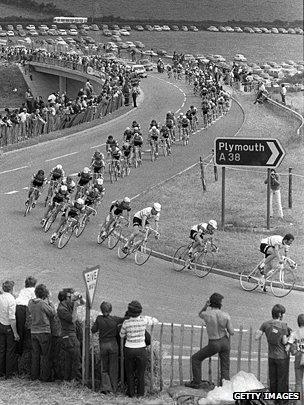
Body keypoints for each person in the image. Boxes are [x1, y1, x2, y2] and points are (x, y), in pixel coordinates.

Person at [185, 293, 234, 389]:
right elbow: (231, 332)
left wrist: (205, 305)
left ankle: (196, 382)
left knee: (196, 359)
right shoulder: (225, 315)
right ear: (220, 304)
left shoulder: (206, 314)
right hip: (224, 341)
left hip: (214, 343)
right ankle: (226, 387)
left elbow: (200, 314)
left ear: (211, 303)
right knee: (225, 366)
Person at [120, 301, 158, 397]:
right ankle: (140, 394)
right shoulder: (143, 320)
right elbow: (155, 320)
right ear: (140, 311)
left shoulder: (126, 322)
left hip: (129, 349)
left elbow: (121, 335)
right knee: (141, 373)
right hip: (141, 349)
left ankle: (131, 393)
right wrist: (144, 317)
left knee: (129, 373)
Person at [255, 304, 291, 403]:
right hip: (282, 357)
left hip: (271, 356)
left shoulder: (265, 324)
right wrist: (289, 337)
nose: (283, 315)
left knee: (273, 378)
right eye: (283, 313)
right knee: (281, 379)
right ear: (280, 314)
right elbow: (284, 341)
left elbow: (256, 337)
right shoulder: (283, 325)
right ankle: (281, 401)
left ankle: (273, 398)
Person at [91, 302, 124, 393]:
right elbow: (125, 319)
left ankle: (106, 388)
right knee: (113, 367)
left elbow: (93, 330)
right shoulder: (115, 319)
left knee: (104, 368)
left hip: (103, 344)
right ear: (110, 310)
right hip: (113, 345)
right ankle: (114, 388)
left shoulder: (99, 319)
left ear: (101, 310)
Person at [28, 284, 56, 381]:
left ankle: (34, 376)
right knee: (45, 355)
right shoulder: (43, 304)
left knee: (35, 355)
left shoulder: (30, 303)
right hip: (44, 331)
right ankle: (45, 377)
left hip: (33, 331)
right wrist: (50, 301)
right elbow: (53, 313)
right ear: (45, 294)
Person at [57, 289, 85, 381]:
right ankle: (77, 380)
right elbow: (73, 319)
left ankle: (69, 380)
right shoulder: (61, 309)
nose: (71, 298)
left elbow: (83, 302)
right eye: (69, 297)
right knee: (76, 359)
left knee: (70, 359)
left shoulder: (68, 304)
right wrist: (75, 307)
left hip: (70, 335)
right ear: (64, 299)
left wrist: (79, 297)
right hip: (68, 336)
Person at [0, 280, 19, 379]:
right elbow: (12, 318)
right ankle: (8, 374)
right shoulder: (11, 300)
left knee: (1, 349)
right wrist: (15, 333)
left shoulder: (1, 297)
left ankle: (1, 372)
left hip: (1, 324)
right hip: (8, 326)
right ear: (12, 289)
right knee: (10, 351)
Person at [15, 276, 37, 356]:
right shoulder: (34, 290)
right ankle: (21, 351)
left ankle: (18, 349)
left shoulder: (22, 290)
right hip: (24, 308)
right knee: (24, 329)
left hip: (17, 307)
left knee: (19, 328)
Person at [285, 314, 304, 404]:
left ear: (298, 322)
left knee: (298, 382)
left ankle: (299, 402)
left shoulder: (294, 333)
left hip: (299, 357)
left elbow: (288, 348)